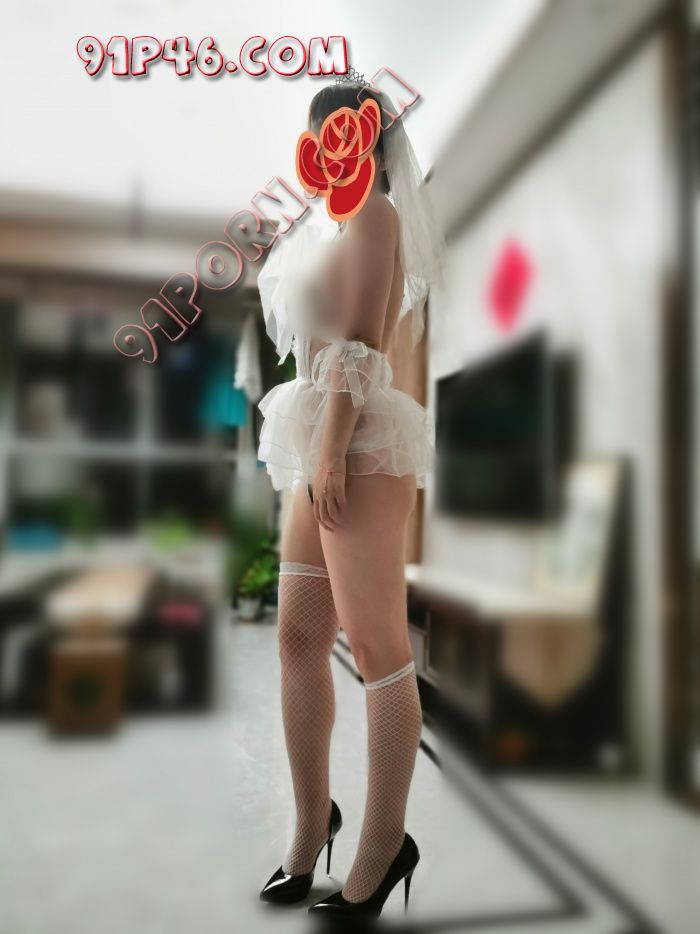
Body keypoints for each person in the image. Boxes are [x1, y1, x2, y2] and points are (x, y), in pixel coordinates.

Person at [256, 77, 444, 919]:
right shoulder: (332, 228)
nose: (332, 146)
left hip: (356, 439)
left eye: (346, 130)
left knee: (376, 649)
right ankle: (310, 829)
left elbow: (363, 343)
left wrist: (330, 447)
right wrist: (317, 447)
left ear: (371, 139)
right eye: (318, 132)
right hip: (320, 437)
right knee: (298, 638)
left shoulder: (376, 215)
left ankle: (382, 848)